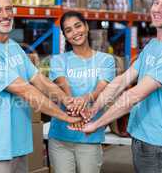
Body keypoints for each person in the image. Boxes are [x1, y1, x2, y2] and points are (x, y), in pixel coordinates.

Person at [71, 0, 162, 173]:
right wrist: (94, 109)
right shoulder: (154, 45)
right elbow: (122, 80)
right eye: (156, 3)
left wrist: (97, 124)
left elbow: (135, 95)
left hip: (160, 145)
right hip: (141, 137)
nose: (157, 9)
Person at [0, 0, 81, 173]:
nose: (5, 15)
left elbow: (39, 80)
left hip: (17, 145)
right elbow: (26, 91)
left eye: (8, 9)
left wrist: (67, 100)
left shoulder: (13, 46)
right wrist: (65, 116)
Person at [48, 11, 116, 173]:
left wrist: (86, 98)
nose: (75, 32)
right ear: (65, 35)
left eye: (78, 26)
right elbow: (63, 86)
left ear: (86, 26)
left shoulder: (105, 60)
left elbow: (101, 88)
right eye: (69, 30)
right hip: (60, 137)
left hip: (90, 135)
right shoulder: (58, 60)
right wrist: (74, 103)